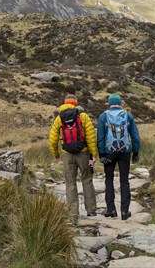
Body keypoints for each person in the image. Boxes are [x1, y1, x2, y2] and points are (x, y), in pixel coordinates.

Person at [49, 94, 98, 222]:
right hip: (83, 153)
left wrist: (56, 154)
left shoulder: (59, 118)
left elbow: (53, 140)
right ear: (76, 103)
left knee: (70, 183)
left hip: (67, 155)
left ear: (65, 103)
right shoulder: (83, 116)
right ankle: (91, 210)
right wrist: (93, 155)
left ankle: (72, 215)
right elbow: (91, 138)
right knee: (87, 180)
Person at [97, 93, 141, 220]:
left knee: (109, 180)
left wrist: (101, 154)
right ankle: (125, 211)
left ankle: (111, 209)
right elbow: (135, 136)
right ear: (120, 103)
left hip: (109, 152)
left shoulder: (103, 116)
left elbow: (100, 137)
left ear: (109, 103)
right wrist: (135, 152)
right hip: (125, 152)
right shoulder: (128, 115)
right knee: (124, 181)